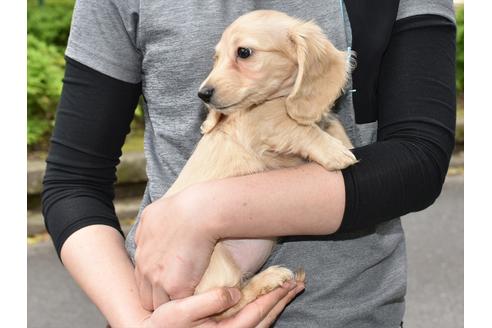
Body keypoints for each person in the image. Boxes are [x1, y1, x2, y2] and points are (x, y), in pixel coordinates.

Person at [42, 0, 456, 327]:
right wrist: (136, 321)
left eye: (242, 55)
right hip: (165, 309)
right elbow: (72, 182)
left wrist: (203, 212)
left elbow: (418, 159)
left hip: (356, 314)